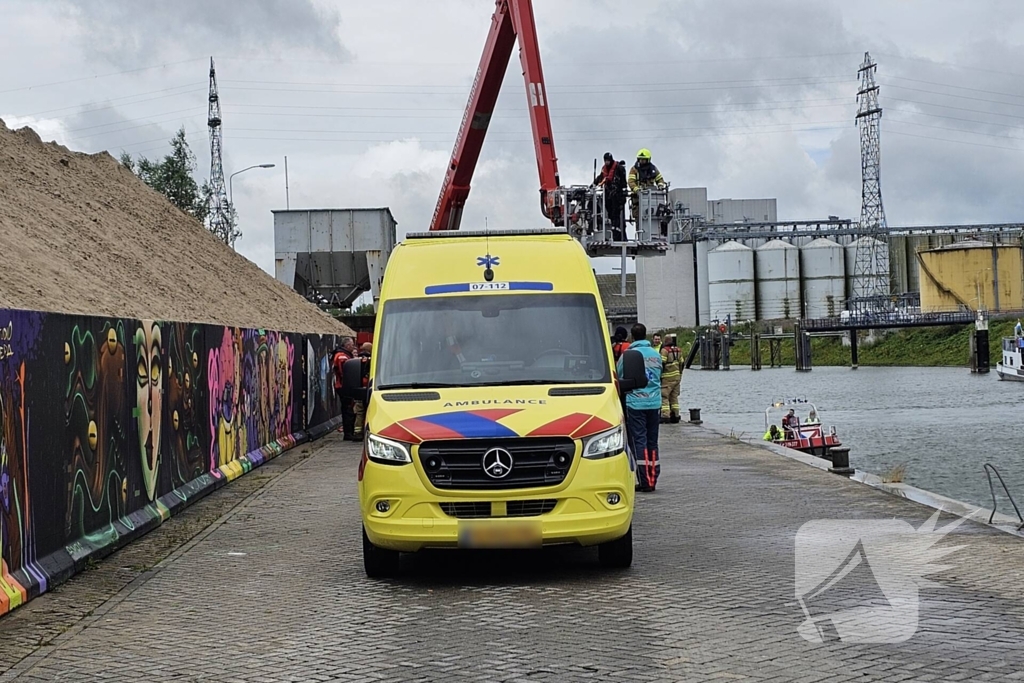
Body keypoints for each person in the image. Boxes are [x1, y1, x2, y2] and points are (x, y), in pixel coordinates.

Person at [617, 323, 662, 492]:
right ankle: (653, 477)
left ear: (632, 337)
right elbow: (659, 375)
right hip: (655, 403)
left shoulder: (627, 356)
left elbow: (620, 376)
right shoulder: (656, 355)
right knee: (652, 442)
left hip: (635, 404)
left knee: (639, 442)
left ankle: (645, 480)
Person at [627, 148, 667, 232]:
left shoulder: (653, 169)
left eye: (644, 160)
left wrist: (660, 185)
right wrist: (637, 190)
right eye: (640, 159)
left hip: (652, 198)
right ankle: (640, 234)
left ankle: (656, 233)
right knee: (639, 218)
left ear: (648, 160)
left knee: (656, 216)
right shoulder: (634, 170)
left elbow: (660, 179)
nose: (642, 161)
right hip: (638, 200)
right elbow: (631, 181)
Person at [594, 152, 627, 241]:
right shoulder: (604, 169)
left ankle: (618, 235)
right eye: (605, 161)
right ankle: (614, 231)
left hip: (617, 196)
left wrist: (624, 195)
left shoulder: (619, 168)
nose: (607, 162)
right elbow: (600, 178)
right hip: (608, 195)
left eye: (608, 160)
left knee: (617, 215)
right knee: (610, 214)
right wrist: (594, 183)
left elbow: (624, 182)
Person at [332, 337, 357, 440]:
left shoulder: (344, 355)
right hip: (344, 386)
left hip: (344, 386)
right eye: (352, 345)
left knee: (348, 409)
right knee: (348, 410)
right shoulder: (342, 356)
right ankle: (348, 433)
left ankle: (349, 432)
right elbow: (345, 373)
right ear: (347, 346)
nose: (353, 347)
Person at [659, 334, 682, 424]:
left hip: (667, 377)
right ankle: (675, 415)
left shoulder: (665, 350)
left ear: (665, 341)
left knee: (664, 396)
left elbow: (662, 363)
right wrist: (680, 373)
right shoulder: (678, 350)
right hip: (677, 377)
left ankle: (665, 416)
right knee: (674, 397)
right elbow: (682, 363)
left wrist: (660, 374)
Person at [352, 342, 373, 440]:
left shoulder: (355, 360)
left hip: (359, 389)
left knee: (359, 412)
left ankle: (357, 433)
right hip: (371, 388)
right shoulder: (374, 359)